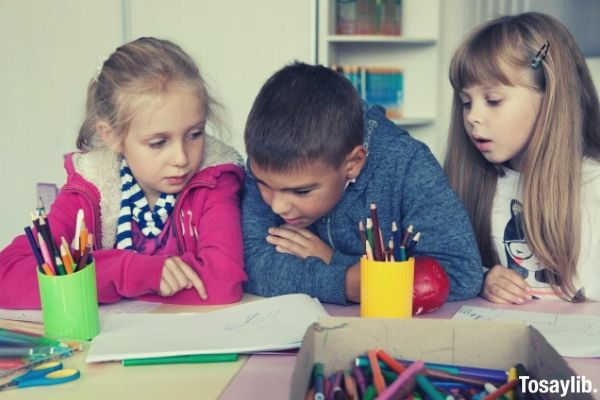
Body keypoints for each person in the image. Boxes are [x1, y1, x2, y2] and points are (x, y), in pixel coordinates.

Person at [0, 37, 247, 308]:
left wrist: (86, 285)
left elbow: (223, 282)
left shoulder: (214, 180)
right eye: (158, 142)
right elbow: (7, 276)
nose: (181, 158)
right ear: (112, 136)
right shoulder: (90, 188)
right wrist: (130, 273)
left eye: (195, 134)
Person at [242, 62, 483, 305]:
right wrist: (347, 283)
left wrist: (335, 261)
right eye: (263, 184)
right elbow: (249, 264)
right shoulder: (266, 157)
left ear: (354, 163)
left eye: (301, 191)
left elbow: (459, 273)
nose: (278, 207)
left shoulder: (407, 164)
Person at [444, 12, 600, 304]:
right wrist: (482, 278)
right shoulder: (469, 185)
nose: (473, 117)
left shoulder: (594, 187)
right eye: (467, 103)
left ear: (552, 96)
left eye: (493, 100)